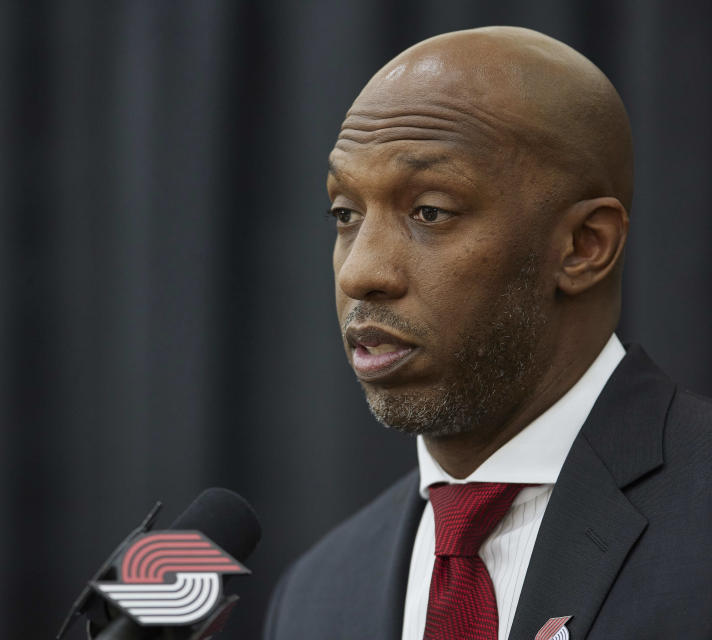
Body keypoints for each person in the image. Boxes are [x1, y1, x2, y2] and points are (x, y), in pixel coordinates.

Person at [263, 26, 712, 640]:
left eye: (430, 212)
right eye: (346, 214)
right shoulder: (319, 593)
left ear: (584, 246)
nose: (363, 272)